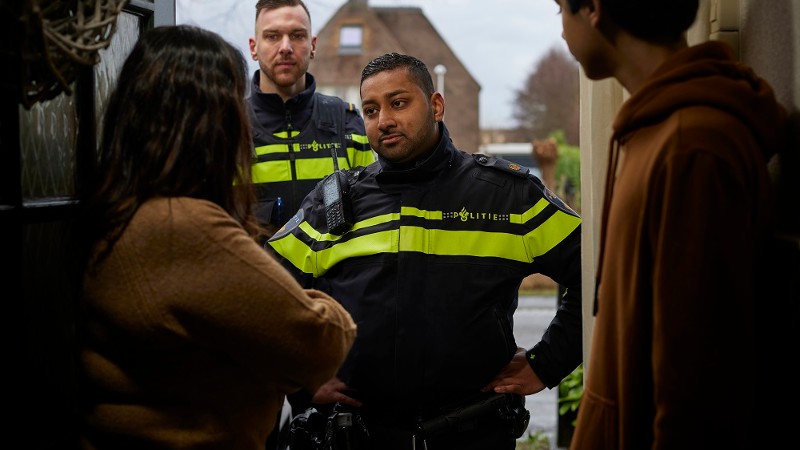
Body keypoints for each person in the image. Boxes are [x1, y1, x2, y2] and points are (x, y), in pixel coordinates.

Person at [267, 52, 583, 450]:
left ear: (436, 105)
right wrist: (301, 377)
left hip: (472, 435)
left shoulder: (508, 197)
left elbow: (599, 273)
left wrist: (546, 364)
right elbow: (262, 295)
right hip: (360, 437)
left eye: (399, 103)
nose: (384, 120)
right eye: (370, 109)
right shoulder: (331, 205)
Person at [74, 25, 356, 450]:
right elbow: (321, 339)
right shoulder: (182, 227)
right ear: (208, 121)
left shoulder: (120, 208)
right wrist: (318, 303)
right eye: (231, 103)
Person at [551, 1, 792, 449]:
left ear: (596, 10)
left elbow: (697, 384)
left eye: (561, 9)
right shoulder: (655, 129)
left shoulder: (691, 146)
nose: (561, 30)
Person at [248, 0, 376, 238]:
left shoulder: (348, 124)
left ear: (313, 45)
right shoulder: (227, 128)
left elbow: (371, 221)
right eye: (272, 36)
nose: (285, 47)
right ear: (254, 47)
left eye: (297, 35)